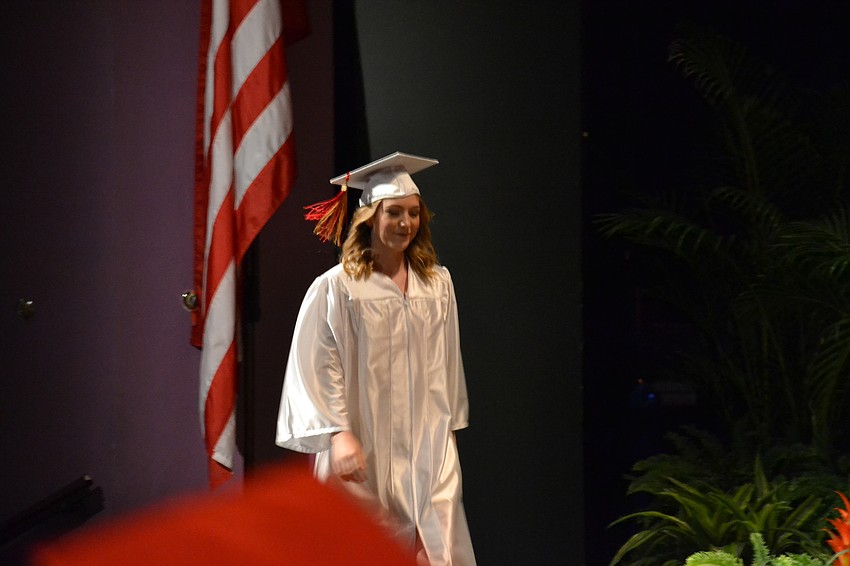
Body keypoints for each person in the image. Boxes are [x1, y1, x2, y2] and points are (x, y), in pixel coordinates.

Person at [276, 152, 476, 566]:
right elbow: (318, 363)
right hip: (363, 443)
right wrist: (337, 433)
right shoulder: (339, 287)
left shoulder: (437, 284)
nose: (406, 224)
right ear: (369, 217)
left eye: (414, 214)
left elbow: (447, 364)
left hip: (427, 443)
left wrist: (450, 429)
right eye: (395, 213)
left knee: (436, 550)